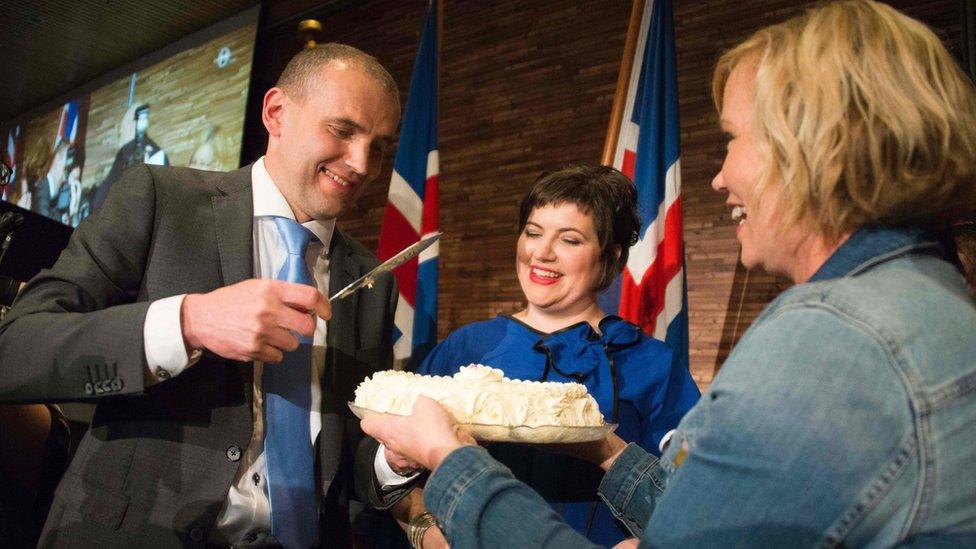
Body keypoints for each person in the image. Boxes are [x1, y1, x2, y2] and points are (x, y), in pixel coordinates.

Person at [362, 1, 976, 546]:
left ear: (815, 147)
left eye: (733, 138)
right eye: (533, 233)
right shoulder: (932, 304)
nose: (718, 176)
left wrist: (452, 458)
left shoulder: (828, 338)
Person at [0, 43, 421, 547]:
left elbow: (344, 456)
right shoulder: (159, 200)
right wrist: (188, 321)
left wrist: (389, 462)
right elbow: (16, 348)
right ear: (276, 113)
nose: (360, 163)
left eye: (378, 146)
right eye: (343, 130)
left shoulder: (375, 281)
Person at [395, 166, 699, 546]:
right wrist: (424, 532)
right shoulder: (467, 346)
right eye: (533, 233)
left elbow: (695, 501)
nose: (541, 252)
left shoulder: (653, 364)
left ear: (611, 256)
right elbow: (395, 468)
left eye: (569, 240)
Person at [91, 102, 169, 212]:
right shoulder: (124, 154)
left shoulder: (156, 156)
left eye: (124, 126)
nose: (120, 131)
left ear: (135, 126)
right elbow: (100, 198)